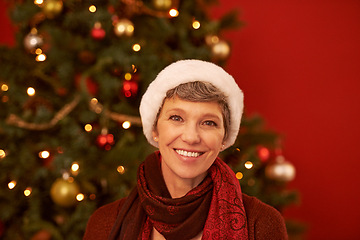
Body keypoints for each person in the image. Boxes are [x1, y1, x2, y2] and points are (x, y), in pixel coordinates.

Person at [83, 60, 288, 240]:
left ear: (225, 138)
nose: (190, 137)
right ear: (155, 129)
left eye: (208, 123)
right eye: (176, 118)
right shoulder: (106, 223)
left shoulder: (261, 223)